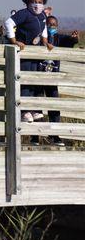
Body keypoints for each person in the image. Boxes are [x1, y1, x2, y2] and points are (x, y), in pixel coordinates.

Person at [3, 0, 52, 124]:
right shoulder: (24, 13)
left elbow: (44, 29)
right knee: (24, 81)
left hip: (35, 54)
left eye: (40, 2)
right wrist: (14, 40)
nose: (37, 4)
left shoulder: (42, 16)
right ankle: (24, 111)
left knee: (34, 81)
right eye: (35, 1)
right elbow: (9, 23)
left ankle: (34, 109)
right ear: (29, 2)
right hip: (24, 53)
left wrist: (45, 41)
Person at [32, 15, 79, 146]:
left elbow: (70, 41)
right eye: (49, 24)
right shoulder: (40, 38)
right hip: (38, 78)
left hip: (52, 79)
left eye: (54, 25)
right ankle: (35, 136)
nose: (52, 27)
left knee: (54, 108)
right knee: (37, 108)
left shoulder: (59, 38)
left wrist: (75, 38)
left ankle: (54, 136)